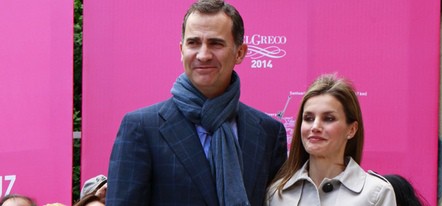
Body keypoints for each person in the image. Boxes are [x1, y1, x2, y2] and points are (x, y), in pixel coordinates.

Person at [106, 0, 288, 205]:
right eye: (193, 43)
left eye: (215, 43)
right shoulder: (141, 127)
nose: (203, 55)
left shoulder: (268, 133)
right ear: (181, 49)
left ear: (240, 53)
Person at [265, 73, 397, 205]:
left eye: (329, 118)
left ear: (351, 130)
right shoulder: (277, 195)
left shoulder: (377, 193)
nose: (315, 127)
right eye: (308, 118)